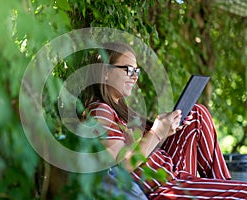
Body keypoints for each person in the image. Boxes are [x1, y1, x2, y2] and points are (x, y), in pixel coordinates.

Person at [82, 42, 247, 199]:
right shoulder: (100, 111)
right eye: (129, 70)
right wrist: (157, 131)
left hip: (171, 173)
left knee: (197, 113)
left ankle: (224, 185)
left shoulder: (122, 111)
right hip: (163, 187)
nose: (135, 77)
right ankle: (225, 188)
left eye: (137, 72)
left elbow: (150, 148)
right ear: (105, 72)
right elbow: (123, 166)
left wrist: (171, 127)